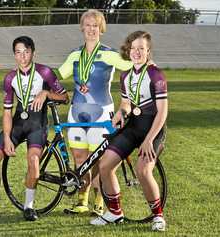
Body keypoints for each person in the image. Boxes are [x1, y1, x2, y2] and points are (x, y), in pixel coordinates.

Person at [0, 36, 68, 222]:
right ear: (14, 55)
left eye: (26, 52)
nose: (23, 56)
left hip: (38, 124)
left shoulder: (45, 72)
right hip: (18, 122)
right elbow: (6, 112)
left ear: (33, 52)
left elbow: (65, 97)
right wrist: (7, 137)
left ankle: (29, 207)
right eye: (18, 52)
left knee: (34, 161)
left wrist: (46, 93)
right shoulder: (10, 78)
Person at [56, 9, 133, 216]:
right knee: (80, 159)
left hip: (101, 113)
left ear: (101, 28)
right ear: (82, 28)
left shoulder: (109, 54)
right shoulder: (75, 54)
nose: (91, 29)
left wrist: (147, 64)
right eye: (88, 25)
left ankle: (99, 201)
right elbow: (57, 75)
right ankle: (82, 201)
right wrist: (40, 79)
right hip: (76, 112)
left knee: (99, 160)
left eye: (95, 26)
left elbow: (131, 65)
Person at [90, 31, 168, 232]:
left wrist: (149, 139)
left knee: (143, 171)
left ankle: (158, 216)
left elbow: (162, 111)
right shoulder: (125, 75)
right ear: (129, 50)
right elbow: (126, 103)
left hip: (152, 129)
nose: (137, 52)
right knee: (105, 165)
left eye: (141, 48)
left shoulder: (155, 74)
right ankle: (115, 214)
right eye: (133, 48)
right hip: (133, 127)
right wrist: (119, 114)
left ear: (148, 51)